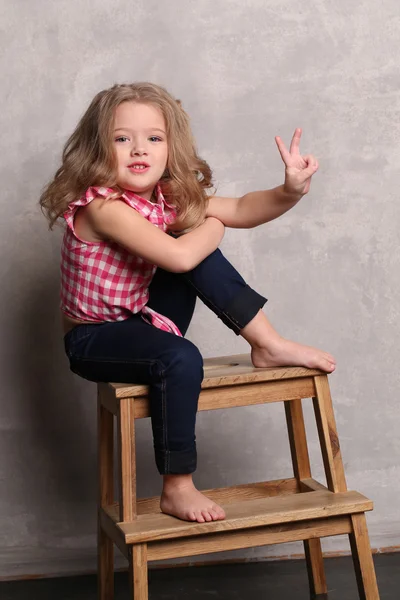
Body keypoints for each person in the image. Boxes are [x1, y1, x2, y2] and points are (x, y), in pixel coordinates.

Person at [40, 82, 336, 524]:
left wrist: (289, 191)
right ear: (95, 149)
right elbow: (181, 254)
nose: (139, 149)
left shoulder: (159, 201)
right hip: (95, 339)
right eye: (122, 138)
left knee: (194, 242)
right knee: (182, 353)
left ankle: (267, 344)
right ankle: (177, 486)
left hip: (143, 318)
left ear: (170, 148)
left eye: (154, 139)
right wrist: (212, 224)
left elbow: (240, 206)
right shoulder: (103, 207)